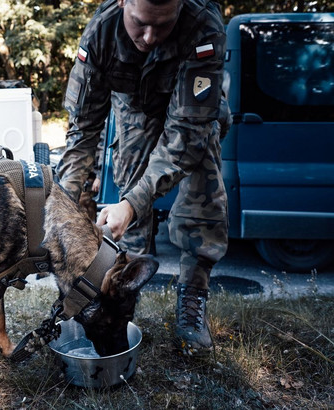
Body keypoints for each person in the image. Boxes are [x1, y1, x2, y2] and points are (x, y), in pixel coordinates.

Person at [56, 0, 231, 355]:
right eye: (139, 23)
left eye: (162, 25)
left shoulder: (204, 28)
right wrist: (65, 215)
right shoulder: (101, 33)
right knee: (129, 186)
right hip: (135, 107)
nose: (149, 37)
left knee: (203, 184)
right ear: (123, 2)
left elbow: (186, 134)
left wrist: (133, 205)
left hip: (192, 114)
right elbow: (82, 132)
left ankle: (192, 303)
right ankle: (120, 298)